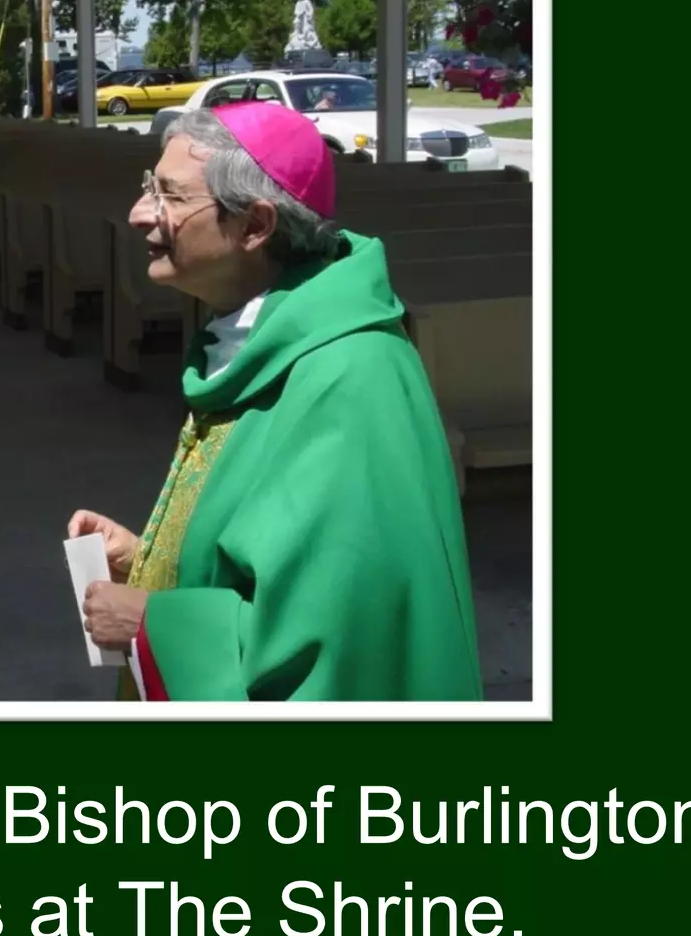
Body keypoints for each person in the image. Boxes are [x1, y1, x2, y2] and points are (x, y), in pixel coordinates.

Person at [70, 103, 482, 701]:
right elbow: (278, 563)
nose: (139, 215)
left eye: (169, 196)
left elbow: (350, 636)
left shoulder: (349, 377)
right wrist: (151, 561)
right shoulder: (256, 344)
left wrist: (148, 623)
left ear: (255, 226)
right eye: (146, 189)